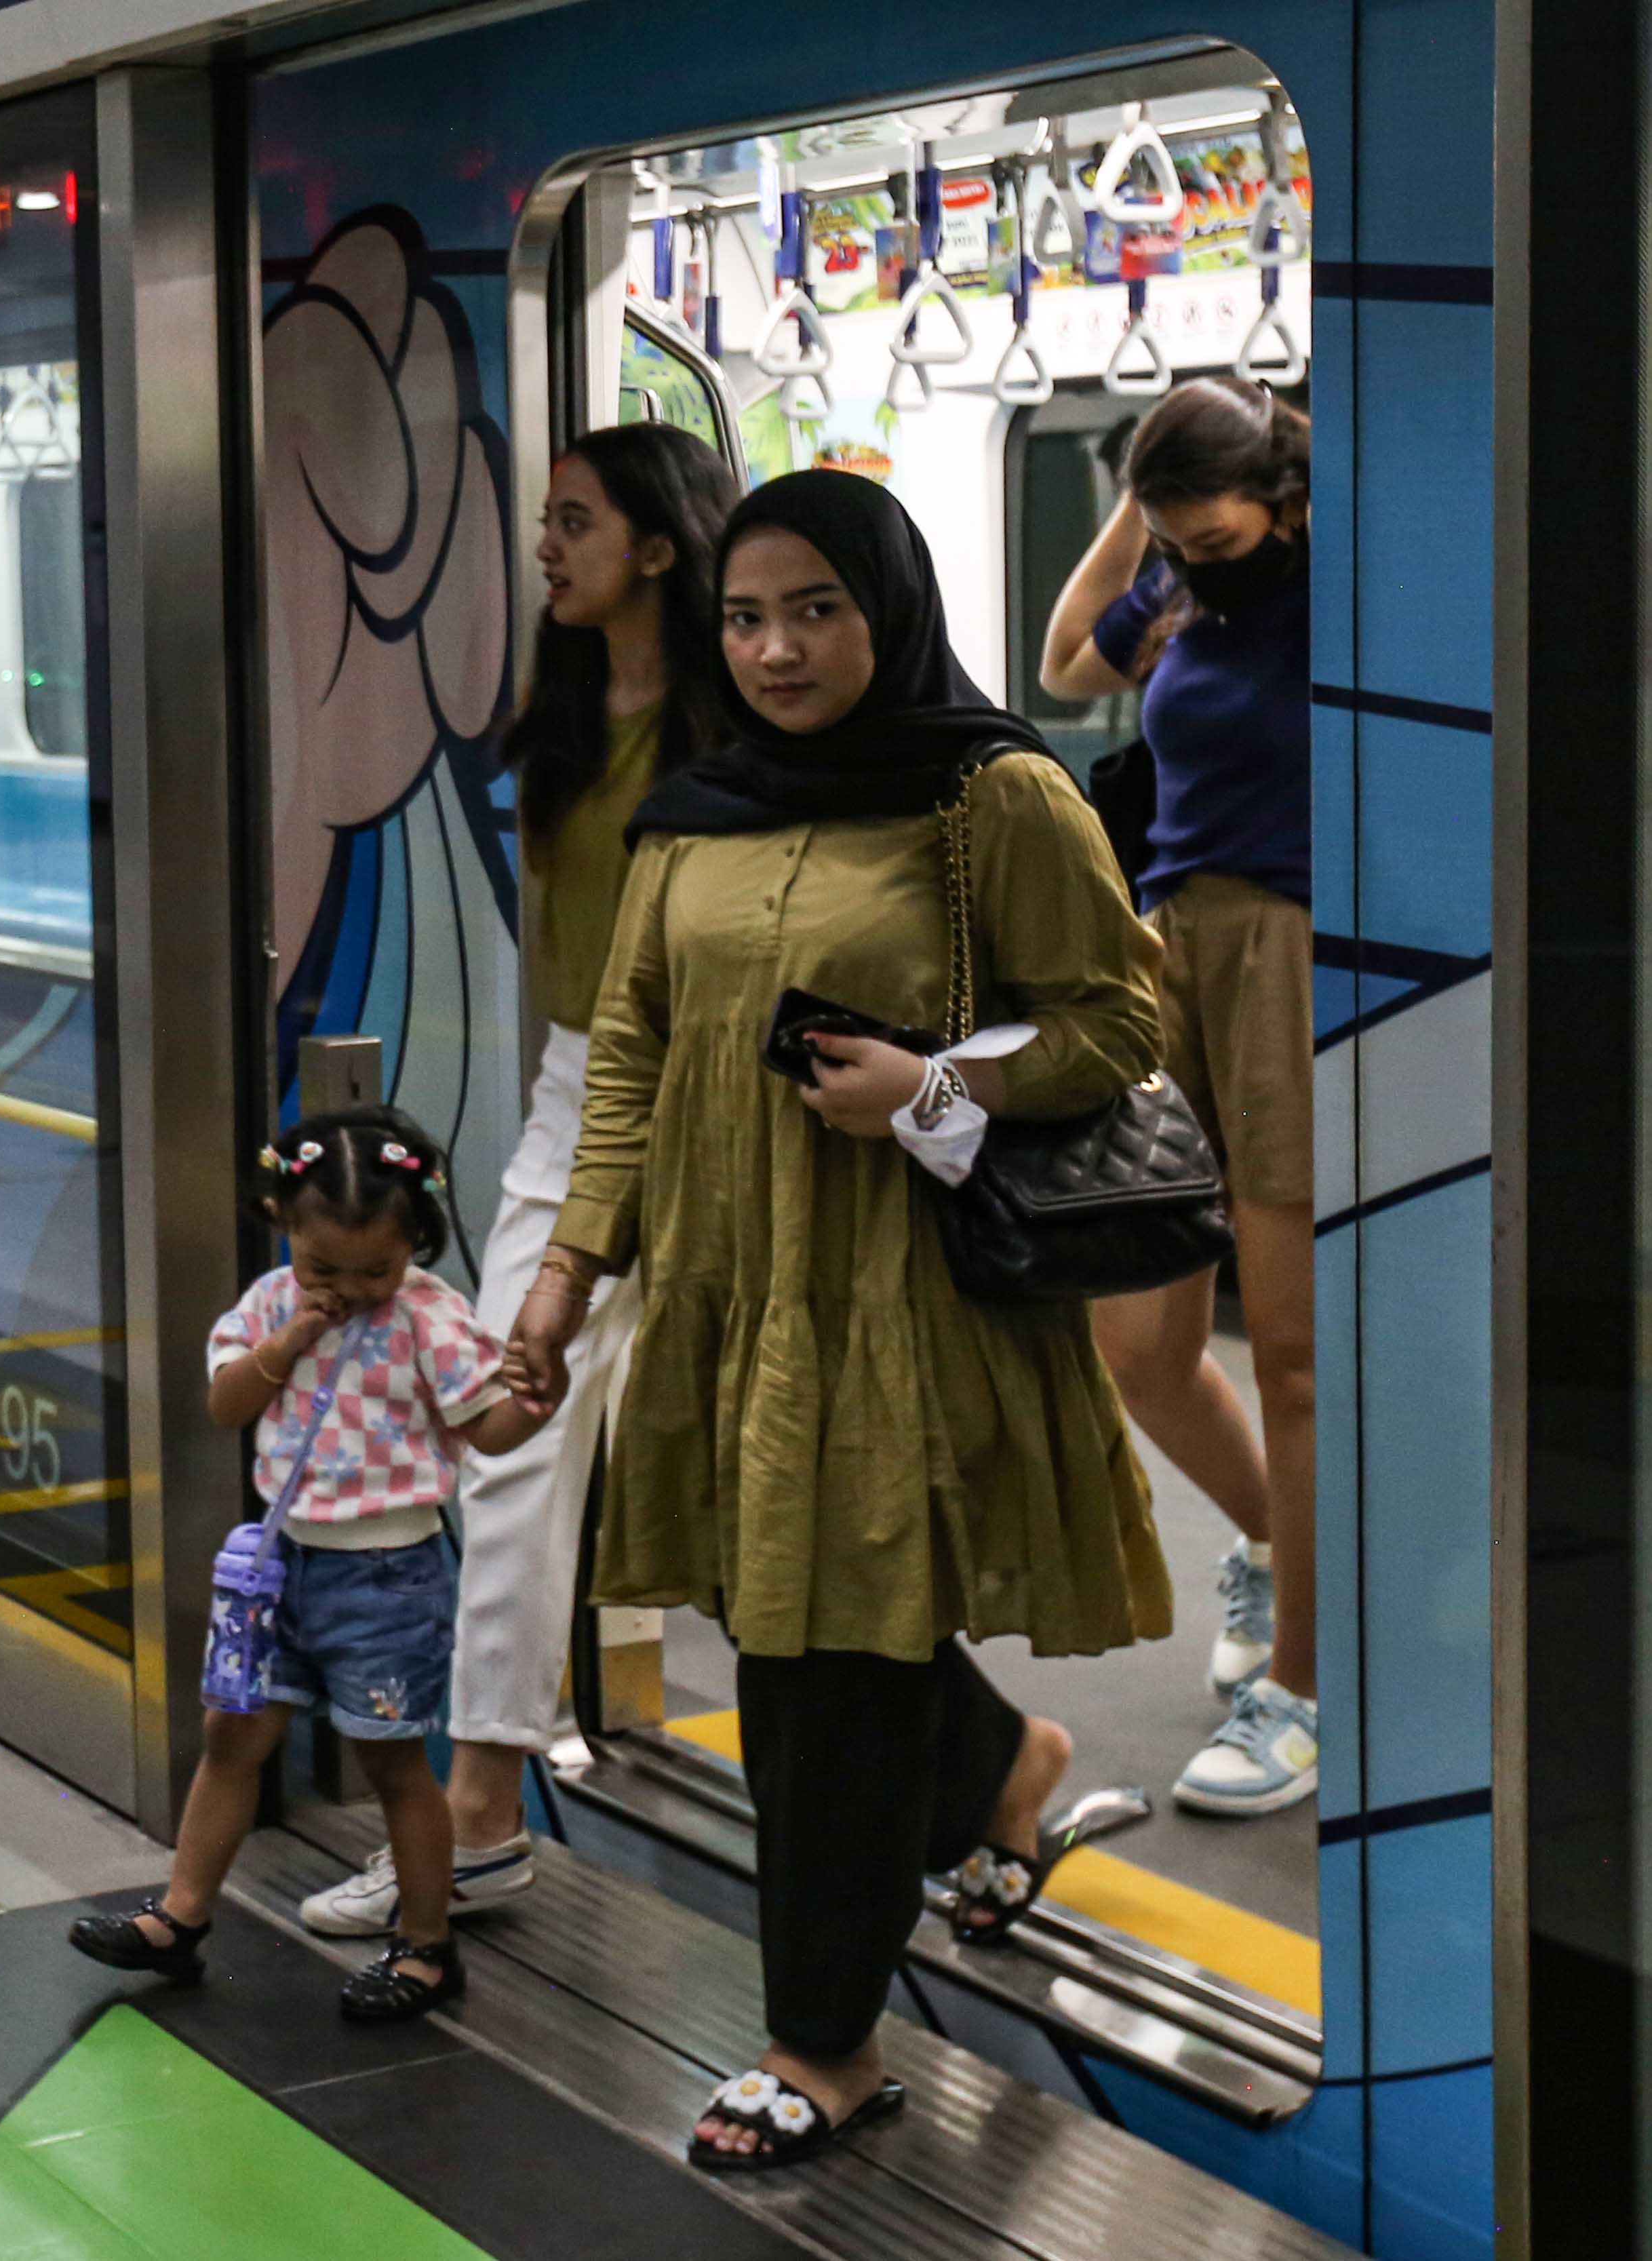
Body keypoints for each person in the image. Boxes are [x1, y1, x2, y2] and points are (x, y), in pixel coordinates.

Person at [509, 471, 1168, 2173]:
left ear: (887, 606)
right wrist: (566, 1274)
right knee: (797, 1607)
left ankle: (827, 2044)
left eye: (816, 609)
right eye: (746, 616)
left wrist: (933, 1082)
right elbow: (634, 1051)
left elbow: (1113, 1026)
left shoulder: (992, 793)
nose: (779, 648)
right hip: (729, 1294)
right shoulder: (694, 810)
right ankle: (1002, 1760)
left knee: (822, 1675)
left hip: (898, 1296)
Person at [296, 424, 739, 1943]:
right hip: (578, 1093)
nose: (545, 546)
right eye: (544, 519)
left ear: (659, 548)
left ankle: (985, 1770)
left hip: (727, 1107)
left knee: (755, 1483)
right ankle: (479, 1813)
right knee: (506, 1440)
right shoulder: (558, 711)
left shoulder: (730, 717)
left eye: (573, 523)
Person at [71, 1109, 539, 2021]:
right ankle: (182, 1914)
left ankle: (430, 1945)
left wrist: (536, 1397)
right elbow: (223, 1402)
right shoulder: (267, 1306)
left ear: (416, 1245)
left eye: (379, 1269)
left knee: (392, 1761)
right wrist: (287, 1340)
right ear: (282, 1223)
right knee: (231, 1737)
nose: (353, 1290)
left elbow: (488, 1429)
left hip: (387, 1575)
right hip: (278, 1568)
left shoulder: (432, 1319)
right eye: (325, 1267)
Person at [1038, 377, 1318, 1817]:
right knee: (1138, 1338)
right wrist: (1136, 508)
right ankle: (1282, 1547)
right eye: (1174, 538)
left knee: (1288, 1351)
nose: (1194, 558)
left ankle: (1311, 1685)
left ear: (1278, 498)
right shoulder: (1179, 582)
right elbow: (1069, 665)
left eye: (1211, 534)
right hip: (1168, 943)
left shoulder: (1329, 579)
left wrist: (1267, 485)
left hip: (1288, 941)